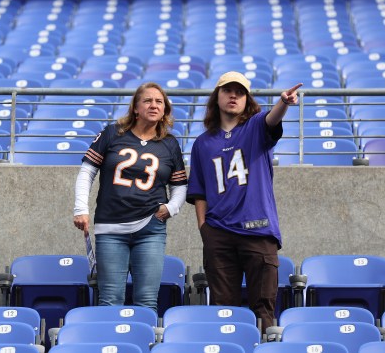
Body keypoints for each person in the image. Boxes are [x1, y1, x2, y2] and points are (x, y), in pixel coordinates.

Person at [186, 71, 302, 331]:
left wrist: (283, 103)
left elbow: (272, 120)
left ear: (247, 99)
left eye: (240, 92)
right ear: (217, 97)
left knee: (263, 310)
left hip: (257, 230)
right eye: (228, 90)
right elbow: (199, 191)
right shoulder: (202, 144)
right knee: (223, 311)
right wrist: (204, 229)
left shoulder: (256, 127)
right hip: (218, 234)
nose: (234, 95)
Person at [73, 82, 188, 312]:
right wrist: (80, 209)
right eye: (147, 100)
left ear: (165, 109)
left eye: (159, 101)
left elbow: (180, 185)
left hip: (150, 228)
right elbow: (87, 171)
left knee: (147, 300)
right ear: (135, 107)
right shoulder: (112, 134)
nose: (153, 105)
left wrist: (171, 208)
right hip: (111, 228)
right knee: (110, 299)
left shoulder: (170, 143)